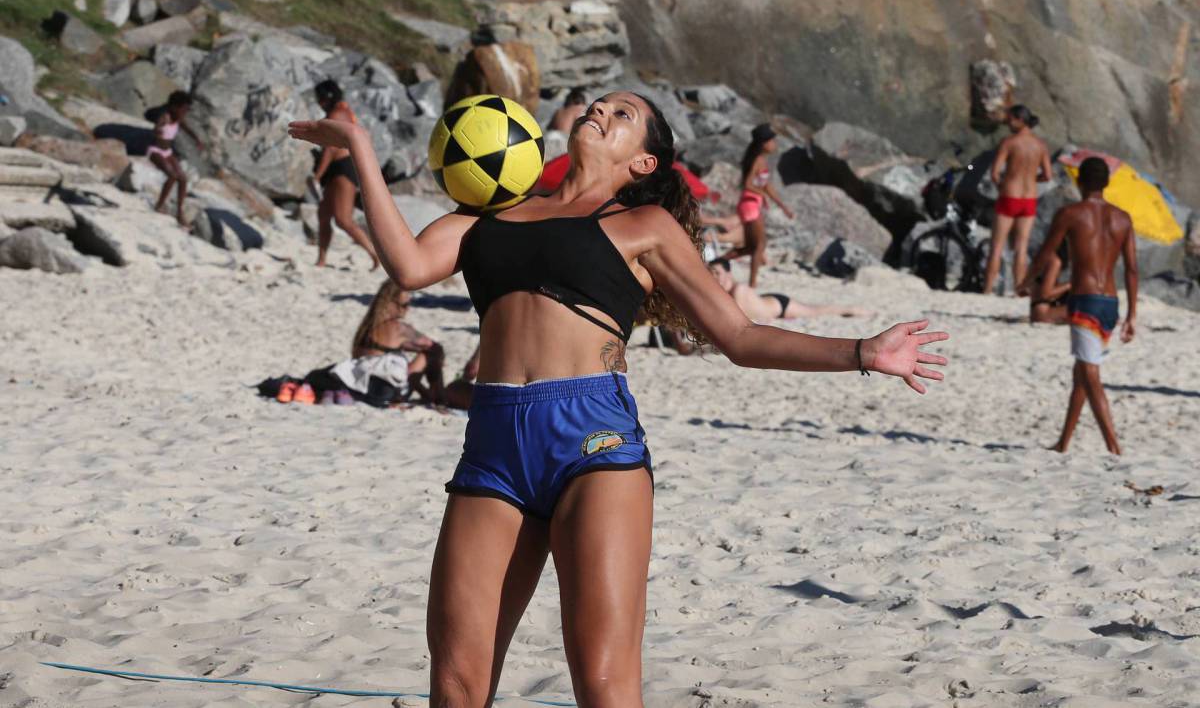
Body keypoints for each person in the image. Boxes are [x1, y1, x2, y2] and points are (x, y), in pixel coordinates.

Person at [288, 91, 949, 706]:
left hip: (593, 445)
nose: (602, 108)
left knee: (603, 686)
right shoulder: (488, 211)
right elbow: (406, 265)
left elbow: (739, 336)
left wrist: (862, 351)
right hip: (493, 446)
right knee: (457, 683)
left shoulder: (644, 224)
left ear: (643, 161)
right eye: (603, 102)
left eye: (624, 114)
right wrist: (359, 149)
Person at [1019, 157, 1136, 455]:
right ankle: (1063, 443)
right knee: (1081, 374)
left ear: (1079, 182)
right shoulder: (1123, 218)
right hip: (1111, 302)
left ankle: (1114, 446)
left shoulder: (1070, 213)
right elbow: (1132, 270)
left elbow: (1046, 253)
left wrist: (1026, 283)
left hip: (1085, 300)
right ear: (1106, 183)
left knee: (1090, 373)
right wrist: (1132, 314)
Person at [983, 104, 1053, 295]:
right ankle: (1019, 289)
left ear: (1020, 120)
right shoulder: (1041, 145)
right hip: (1029, 199)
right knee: (1021, 248)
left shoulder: (1009, 142)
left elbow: (995, 172)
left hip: (1009, 196)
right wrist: (1032, 178)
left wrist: (1001, 185)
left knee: (997, 246)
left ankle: (988, 289)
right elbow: (1047, 175)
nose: (1008, 123)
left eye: (1010, 120)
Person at [311, 80, 379, 269]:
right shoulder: (341, 112)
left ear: (327, 97)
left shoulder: (337, 114)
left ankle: (374, 254)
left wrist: (317, 176)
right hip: (337, 168)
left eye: (320, 98)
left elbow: (330, 149)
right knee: (324, 214)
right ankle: (321, 260)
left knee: (343, 219)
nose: (318, 102)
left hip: (343, 168)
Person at [352, 279, 452, 404]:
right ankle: (439, 396)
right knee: (432, 352)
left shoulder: (366, 328)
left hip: (362, 386)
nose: (407, 309)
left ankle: (428, 393)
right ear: (390, 303)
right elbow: (431, 345)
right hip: (390, 391)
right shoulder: (398, 328)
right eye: (404, 305)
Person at [720, 124, 796, 287]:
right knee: (759, 246)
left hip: (752, 204)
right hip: (749, 205)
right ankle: (752, 285)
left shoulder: (762, 160)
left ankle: (717, 262)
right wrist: (761, 194)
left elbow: (767, 186)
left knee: (750, 247)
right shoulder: (757, 160)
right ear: (764, 143)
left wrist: (783, 207)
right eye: (772, 141)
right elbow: (747, 184)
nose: (775, 144)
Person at [708, 259, 868, 322]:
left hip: (778, 305)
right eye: (712, 273)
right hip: (767, 301)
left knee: (815, 311)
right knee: (812, 309)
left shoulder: (739, 290)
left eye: (717, 273)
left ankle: (852, 309)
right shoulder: (726, 292)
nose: (714, 277)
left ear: (728, 273)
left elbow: (736, 318)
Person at [148, 91, 205, 228]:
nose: (185, 112)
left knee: (183, 179)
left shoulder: (178, 119)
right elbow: (156, 128)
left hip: (167, 152)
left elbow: (186, 128)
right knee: (172, 176)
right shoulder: (165, 117)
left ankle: (179, 212)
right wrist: (158, 131)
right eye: (184, 109)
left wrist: (197, 139)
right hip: (156, 151)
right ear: (174, 107)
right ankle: (159, 205)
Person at [1028, 246, 1071, 324]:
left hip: (1041, 311)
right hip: (1043, 314)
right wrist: (1070, 284)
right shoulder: (1055, 261)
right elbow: (1045, 294)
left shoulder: (1048, 257)